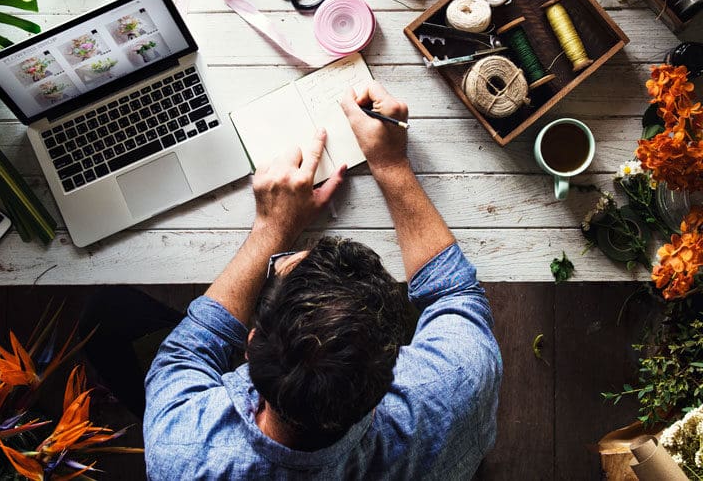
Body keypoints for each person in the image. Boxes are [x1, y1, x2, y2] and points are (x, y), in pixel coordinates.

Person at [143, 82, 502, 479]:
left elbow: (185, 354)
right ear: (391, 367)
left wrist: (271, 230)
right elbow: (453, 292)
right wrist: (391, 164)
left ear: (249, 344)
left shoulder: (182, 452)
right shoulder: (456, 386)